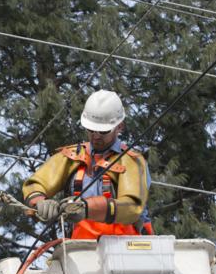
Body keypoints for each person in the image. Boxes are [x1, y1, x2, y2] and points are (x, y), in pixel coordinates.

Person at [22, 90, 153, 239]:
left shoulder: (131, 161)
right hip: (83, 250)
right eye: (91, 129)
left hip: (125, 249)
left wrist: (87, 208)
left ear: (120, 127)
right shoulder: (71, 157)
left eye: (103, 131)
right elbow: (36, 184)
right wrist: (39, 202)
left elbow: (132, 206)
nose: (95, 136)